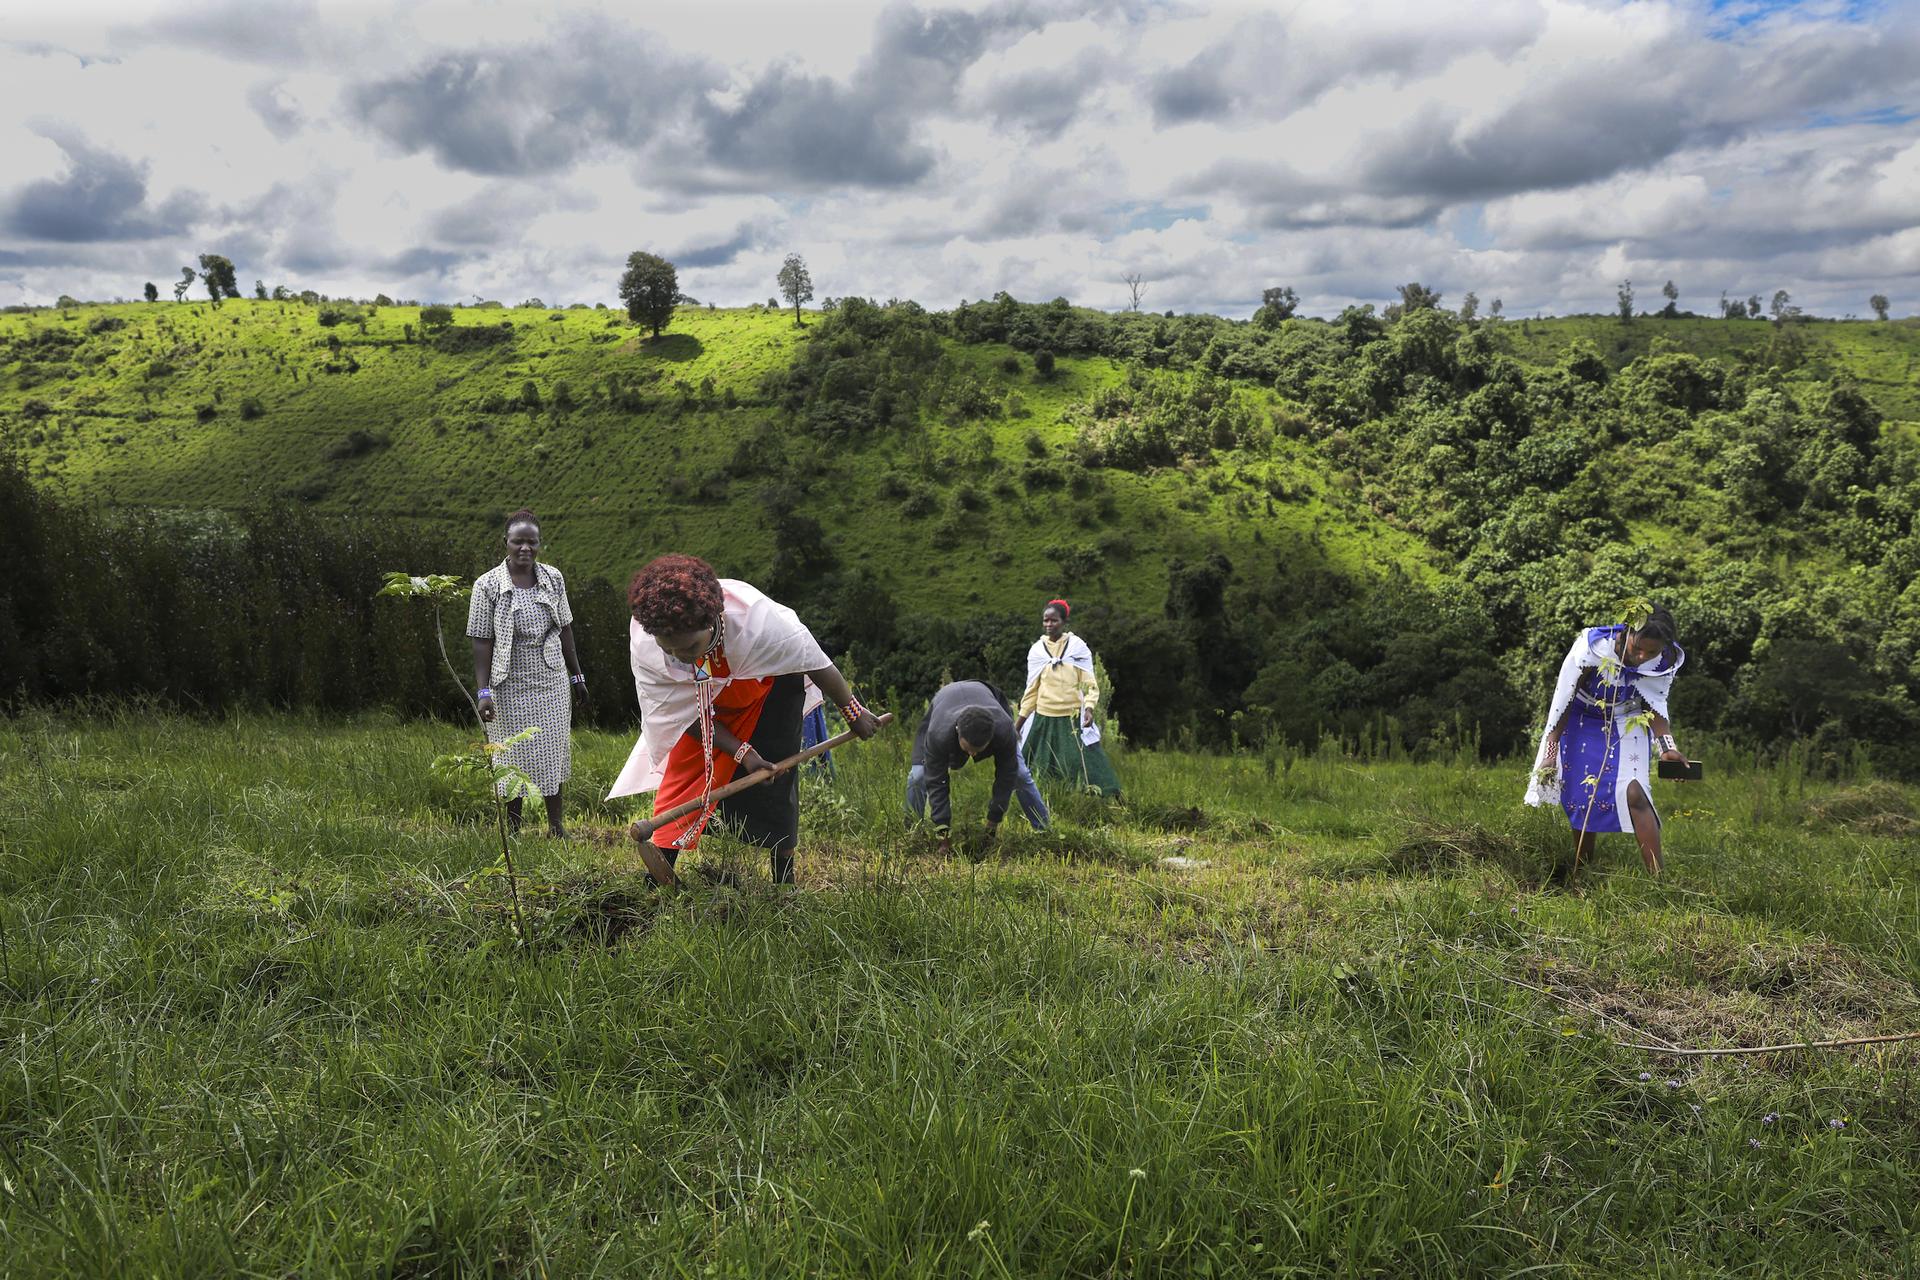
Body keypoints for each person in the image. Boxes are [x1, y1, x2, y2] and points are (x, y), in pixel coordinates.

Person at [608, 554, 881, 885]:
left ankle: (784, 880)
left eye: (691, 646)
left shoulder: (758, 624)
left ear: (712, 621)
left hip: (767, 688)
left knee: (779, 773)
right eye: (672, 650)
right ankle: (660, 871)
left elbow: (815, 661)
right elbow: (680, 716)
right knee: (685, 770)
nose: (683, 657)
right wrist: (742, 752)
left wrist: (853, 712)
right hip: (704, 704)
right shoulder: (648, 644)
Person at [1525, 605, 1687, 874]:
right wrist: (1551, 751)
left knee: (1636, 792)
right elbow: (1564, 699)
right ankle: (1581, 873)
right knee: (1583, 798)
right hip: (1582, 719)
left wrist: (1667, 748)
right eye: (1638, 648)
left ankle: (1660, 881)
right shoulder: (1592, 648)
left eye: (1651, 652)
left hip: (1628, 719)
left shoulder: (1663, 661)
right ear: (1626, 633)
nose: (1642, 656)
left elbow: (1654, 703)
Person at [466, 508, 586, 838]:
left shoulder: (553, 579)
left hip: (551, 681)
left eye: (531, 542)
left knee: (552, 751)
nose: (525, 549)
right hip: (507, 684)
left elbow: (565, 629)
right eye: (518, 542)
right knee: (512, 755)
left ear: (539, 544)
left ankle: (556, 826)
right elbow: (481, 641)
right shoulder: (487, 586)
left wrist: (577, 676)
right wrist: (484, 691)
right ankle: (514, 830)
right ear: (505, 542)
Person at [908, 680, 1051, 856]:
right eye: (968, 749)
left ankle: (1044, 830)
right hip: (945, 702)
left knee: (1020, 774)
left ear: (991, 738)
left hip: (985, 696)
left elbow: (1006, 777)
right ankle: (911, 832)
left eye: (978, 750)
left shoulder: (1004, 729)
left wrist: (992, 824)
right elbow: (937, 783)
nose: (973, 755)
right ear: (958, 732)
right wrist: (943, 836)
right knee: (919, 776)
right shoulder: (938, 734)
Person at [1015, 598, 1122, 797]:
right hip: (1044, 718)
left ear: (1064, 622)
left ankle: (1099, 797)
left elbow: (1090, 684)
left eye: (1053, 621)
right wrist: (1019, 723)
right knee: (1040, 765)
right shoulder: (1037, 651)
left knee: (1078, 762)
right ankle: (1049, 798)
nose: (1048, 625)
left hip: (1071, 717)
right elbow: (1031, 691)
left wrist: (1088, 708)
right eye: (1045, 621)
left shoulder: (1077, 647)